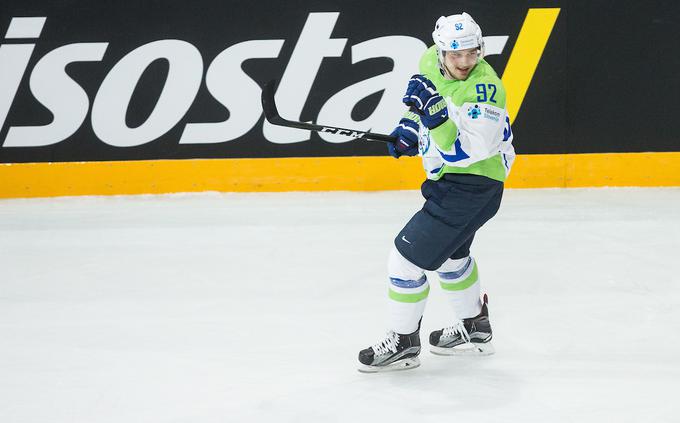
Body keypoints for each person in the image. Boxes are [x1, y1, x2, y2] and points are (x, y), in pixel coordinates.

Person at [358, 12, 515, 373]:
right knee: (450, 258)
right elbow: (421, 102)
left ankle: (402, 342)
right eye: (456, 55)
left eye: (472, 53)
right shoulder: (431, 59)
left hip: (472, 184)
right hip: (454, 183)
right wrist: (408, 129)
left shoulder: (486, 89)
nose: (464, 62)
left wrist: (435, 120)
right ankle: (475, 329)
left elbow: (467, 152)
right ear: (441, 51)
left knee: (404, 260)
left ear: (481, 50)